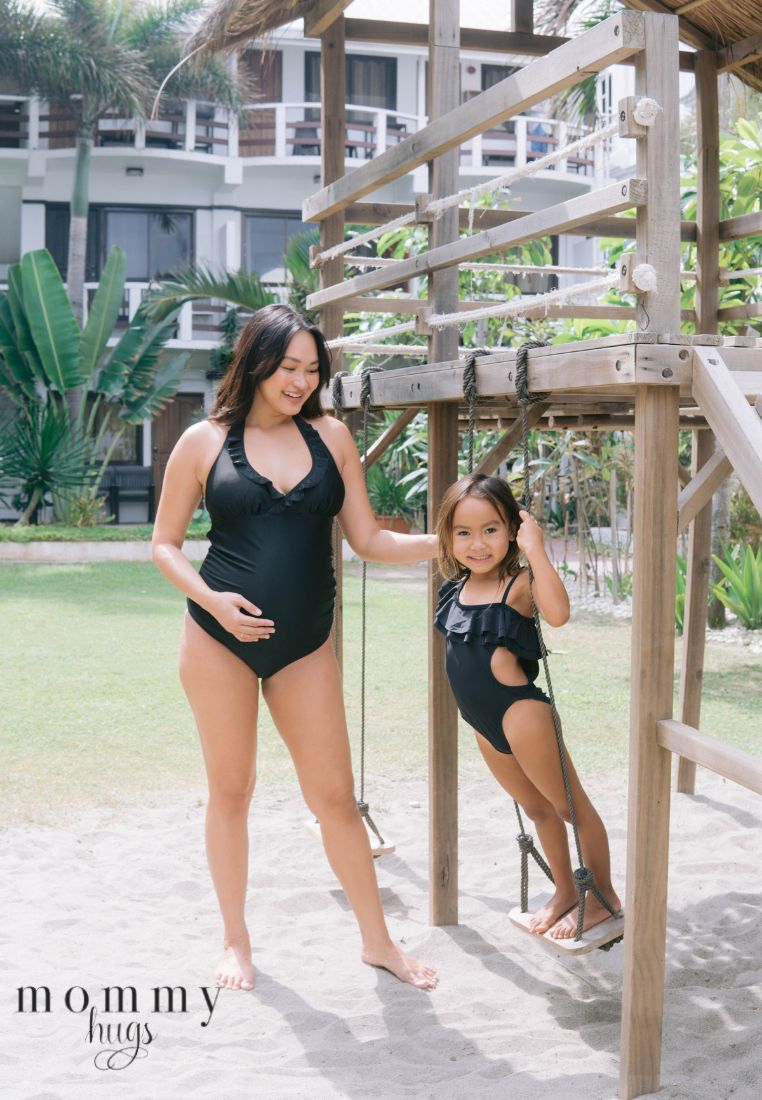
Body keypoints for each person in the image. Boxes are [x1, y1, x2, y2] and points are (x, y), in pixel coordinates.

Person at [151, 304, 438, 992]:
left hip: (305, 643)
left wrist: (450, 546)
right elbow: (163, 544)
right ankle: (235, 941)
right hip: (218, 639)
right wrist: (213, 602)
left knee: (335, 797)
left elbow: (368, 539)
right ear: (256, 363)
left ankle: (378, 943)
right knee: (232, 789)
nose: (301, 382)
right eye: (289, 368)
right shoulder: (203, 440)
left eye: (312, 371)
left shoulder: (331, 436)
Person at [434, 473, 620, 938]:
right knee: (536, 809)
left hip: (521, 713)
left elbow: (558, 613)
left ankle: (602, 897)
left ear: (512, 530)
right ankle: (564, 890)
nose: (478, 543)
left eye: (491, 530)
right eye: (464, 532)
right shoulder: (455, 586)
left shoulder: (516, 583)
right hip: (481, 721)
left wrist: (535, 547)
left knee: (569, 806)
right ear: (449, 536)